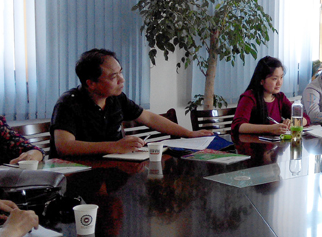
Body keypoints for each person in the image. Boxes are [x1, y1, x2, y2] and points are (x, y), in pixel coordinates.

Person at [50, 49, 214, 157]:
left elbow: (149, 118)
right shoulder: (68, 104)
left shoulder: (116, 98)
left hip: (112, 167)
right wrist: (113, 146)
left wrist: (189, 133)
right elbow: (65, 146)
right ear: (91, 83)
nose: (122, 80)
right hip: (78, 173)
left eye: (120, 73)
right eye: (113, 77)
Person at [231, 56, 311, 135]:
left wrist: (293, 123)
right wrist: (270, 129)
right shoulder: (249, 97)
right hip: (253, 142)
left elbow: (305, 118)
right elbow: (238, 126)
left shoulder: (280, 97)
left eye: (281, 77)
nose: (279, 83)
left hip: (275, 142)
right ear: (261, 81)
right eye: (274, 79)